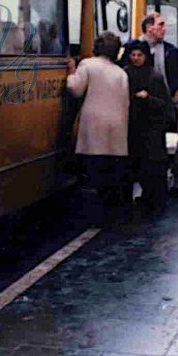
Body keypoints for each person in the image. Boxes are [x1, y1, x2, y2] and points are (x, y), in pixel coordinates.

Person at [67, 32, 129, 222]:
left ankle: (94, 217)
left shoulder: (87, 65)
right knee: (111, 175)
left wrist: (70, 72)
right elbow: (126, 102)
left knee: (93, 172)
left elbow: (75, 89)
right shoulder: (121, 73)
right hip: (117, 129)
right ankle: (111, 215)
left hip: (94, 127)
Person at [122, 40, 172, 214]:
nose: (136, 58)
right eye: (133, 55)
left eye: (139, 55)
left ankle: (153, 201)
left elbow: (164, 103)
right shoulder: (124, 74)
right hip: (132, 127)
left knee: (151, 166)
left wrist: (147, 98)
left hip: (151, 128)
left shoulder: (154, 76)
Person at [140, 13, 178, 97]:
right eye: (160, 25)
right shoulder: (133, 48)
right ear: (149, 27)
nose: (164, 29)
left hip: (163, 100)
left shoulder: (171, 51)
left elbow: (177, 77)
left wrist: (167, 94)